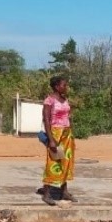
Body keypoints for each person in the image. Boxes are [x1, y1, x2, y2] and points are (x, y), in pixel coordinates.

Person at [38, 76, 76, 206]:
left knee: (66, 162)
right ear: (56, 86)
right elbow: (46, 120)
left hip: (66, 134)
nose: (66, 87)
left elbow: (68, 117)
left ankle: (64, 191)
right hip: (55, 134)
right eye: (63, 85)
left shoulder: (65, 100)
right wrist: (51, 140)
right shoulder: (49, 101)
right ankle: (47, 194)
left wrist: (71, 133)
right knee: (53, 162)